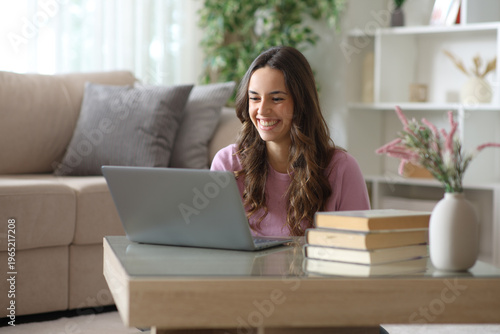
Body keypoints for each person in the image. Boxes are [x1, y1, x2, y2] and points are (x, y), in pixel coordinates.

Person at [211, 46, 370, 237]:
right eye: (254, 98)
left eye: (276, 99)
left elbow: (358, 248)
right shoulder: (228, 163)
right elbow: (216, 244)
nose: (262, 110)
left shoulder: (342, 168)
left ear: (301, 103)